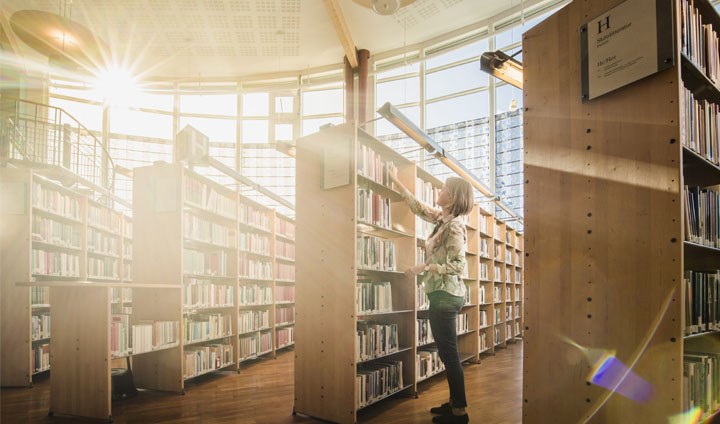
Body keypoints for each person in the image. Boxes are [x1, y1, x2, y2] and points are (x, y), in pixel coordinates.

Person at [389, 165, 473, 424]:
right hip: (442, 294)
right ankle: (453, 403)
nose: (440, 190)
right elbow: (418, 207)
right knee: (448, 354)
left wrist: (424, 267)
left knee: (449, 356)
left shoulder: (455, 227)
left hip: (447, 296)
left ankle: (460, 413)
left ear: (454, 198)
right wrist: (395, 180)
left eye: (445, 189)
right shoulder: (442, 220)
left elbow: (459, 266)